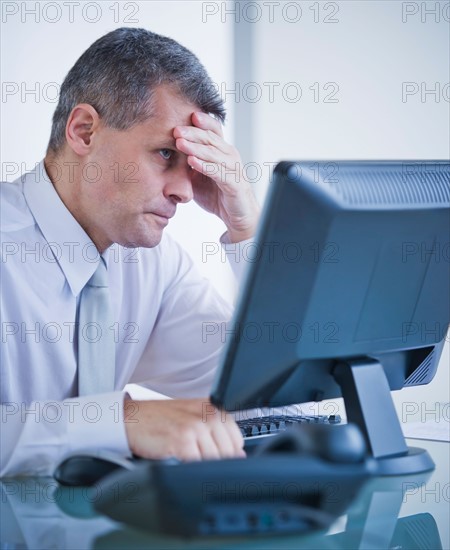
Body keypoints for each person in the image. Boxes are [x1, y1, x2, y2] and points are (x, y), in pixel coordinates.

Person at [0, 27, 260, 476]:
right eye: (164, 154)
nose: (183, 191)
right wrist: (117, 422)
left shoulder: (153, 263)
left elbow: (261, 389)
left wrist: (247, 230)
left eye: (194, 166)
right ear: (84, 131)